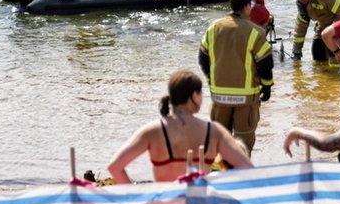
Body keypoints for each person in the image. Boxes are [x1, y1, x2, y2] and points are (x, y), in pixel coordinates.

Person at [107, 70, 252, 183]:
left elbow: (114, 167)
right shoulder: (214, 131)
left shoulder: (152, 131)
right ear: (194, 96)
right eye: (201, 94)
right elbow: (247, 169)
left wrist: (138, 199)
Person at [198, 0, 274, 153]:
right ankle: (241, 173)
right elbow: (265, 64)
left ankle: (221, 173)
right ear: (247, 6)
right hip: (245, 98)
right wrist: (267, 86)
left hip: (219, 96)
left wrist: (211, 79)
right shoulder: (256, 32)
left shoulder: (213, 28)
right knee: (243, 141)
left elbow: (203, 57)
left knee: (219, 140)